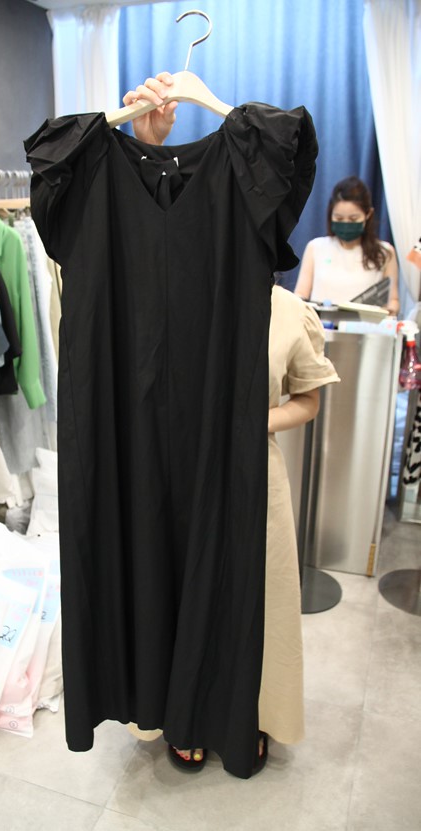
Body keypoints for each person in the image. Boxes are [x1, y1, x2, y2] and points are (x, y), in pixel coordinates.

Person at [122, 72, 340, 771]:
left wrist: (254, 419)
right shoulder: (165, 305)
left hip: (252, 479)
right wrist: (144, 140)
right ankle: (179, 710)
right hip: (175, 477)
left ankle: (251, 712)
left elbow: (309, 399)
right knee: (177, 589)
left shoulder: (286, 312)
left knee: (253, 604)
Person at [294, 175, 399, 314]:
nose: (346, 223)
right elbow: (301, 294)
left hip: (366, 326)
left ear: (368, 214)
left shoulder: (384, 252)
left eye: (353, 218)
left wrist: (390, 310)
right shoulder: (316, 247)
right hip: (321, 324)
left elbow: (393, 300)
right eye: (339, 218)